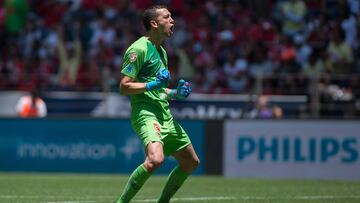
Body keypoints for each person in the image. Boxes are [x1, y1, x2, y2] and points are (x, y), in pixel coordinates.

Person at [116, 5, 200, 203]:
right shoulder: (138, 49)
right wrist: (153, 83)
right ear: (154, 23)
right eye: (167, 17)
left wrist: (175, 93)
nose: (173, 21)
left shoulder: (161, 51)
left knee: (191, 162)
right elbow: (124, 87)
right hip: (146, 113)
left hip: (165, 115)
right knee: (155, 160)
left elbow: (160, 90)